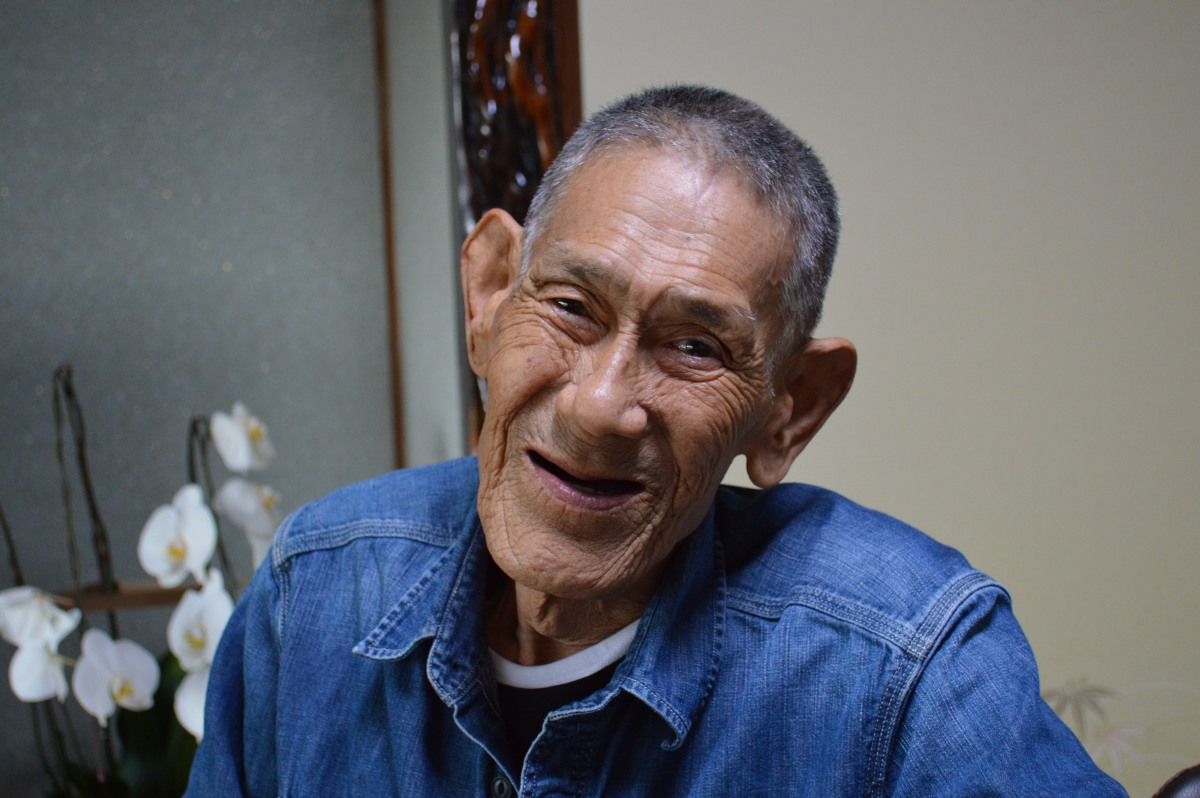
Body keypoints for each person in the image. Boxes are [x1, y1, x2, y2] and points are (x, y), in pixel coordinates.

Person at [186, 85, 1126, 796]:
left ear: (789, 409)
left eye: (694, 347)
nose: (601, 406)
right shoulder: (316, 591)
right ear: (489, 295)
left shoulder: (907, 667)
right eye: (570, 306)